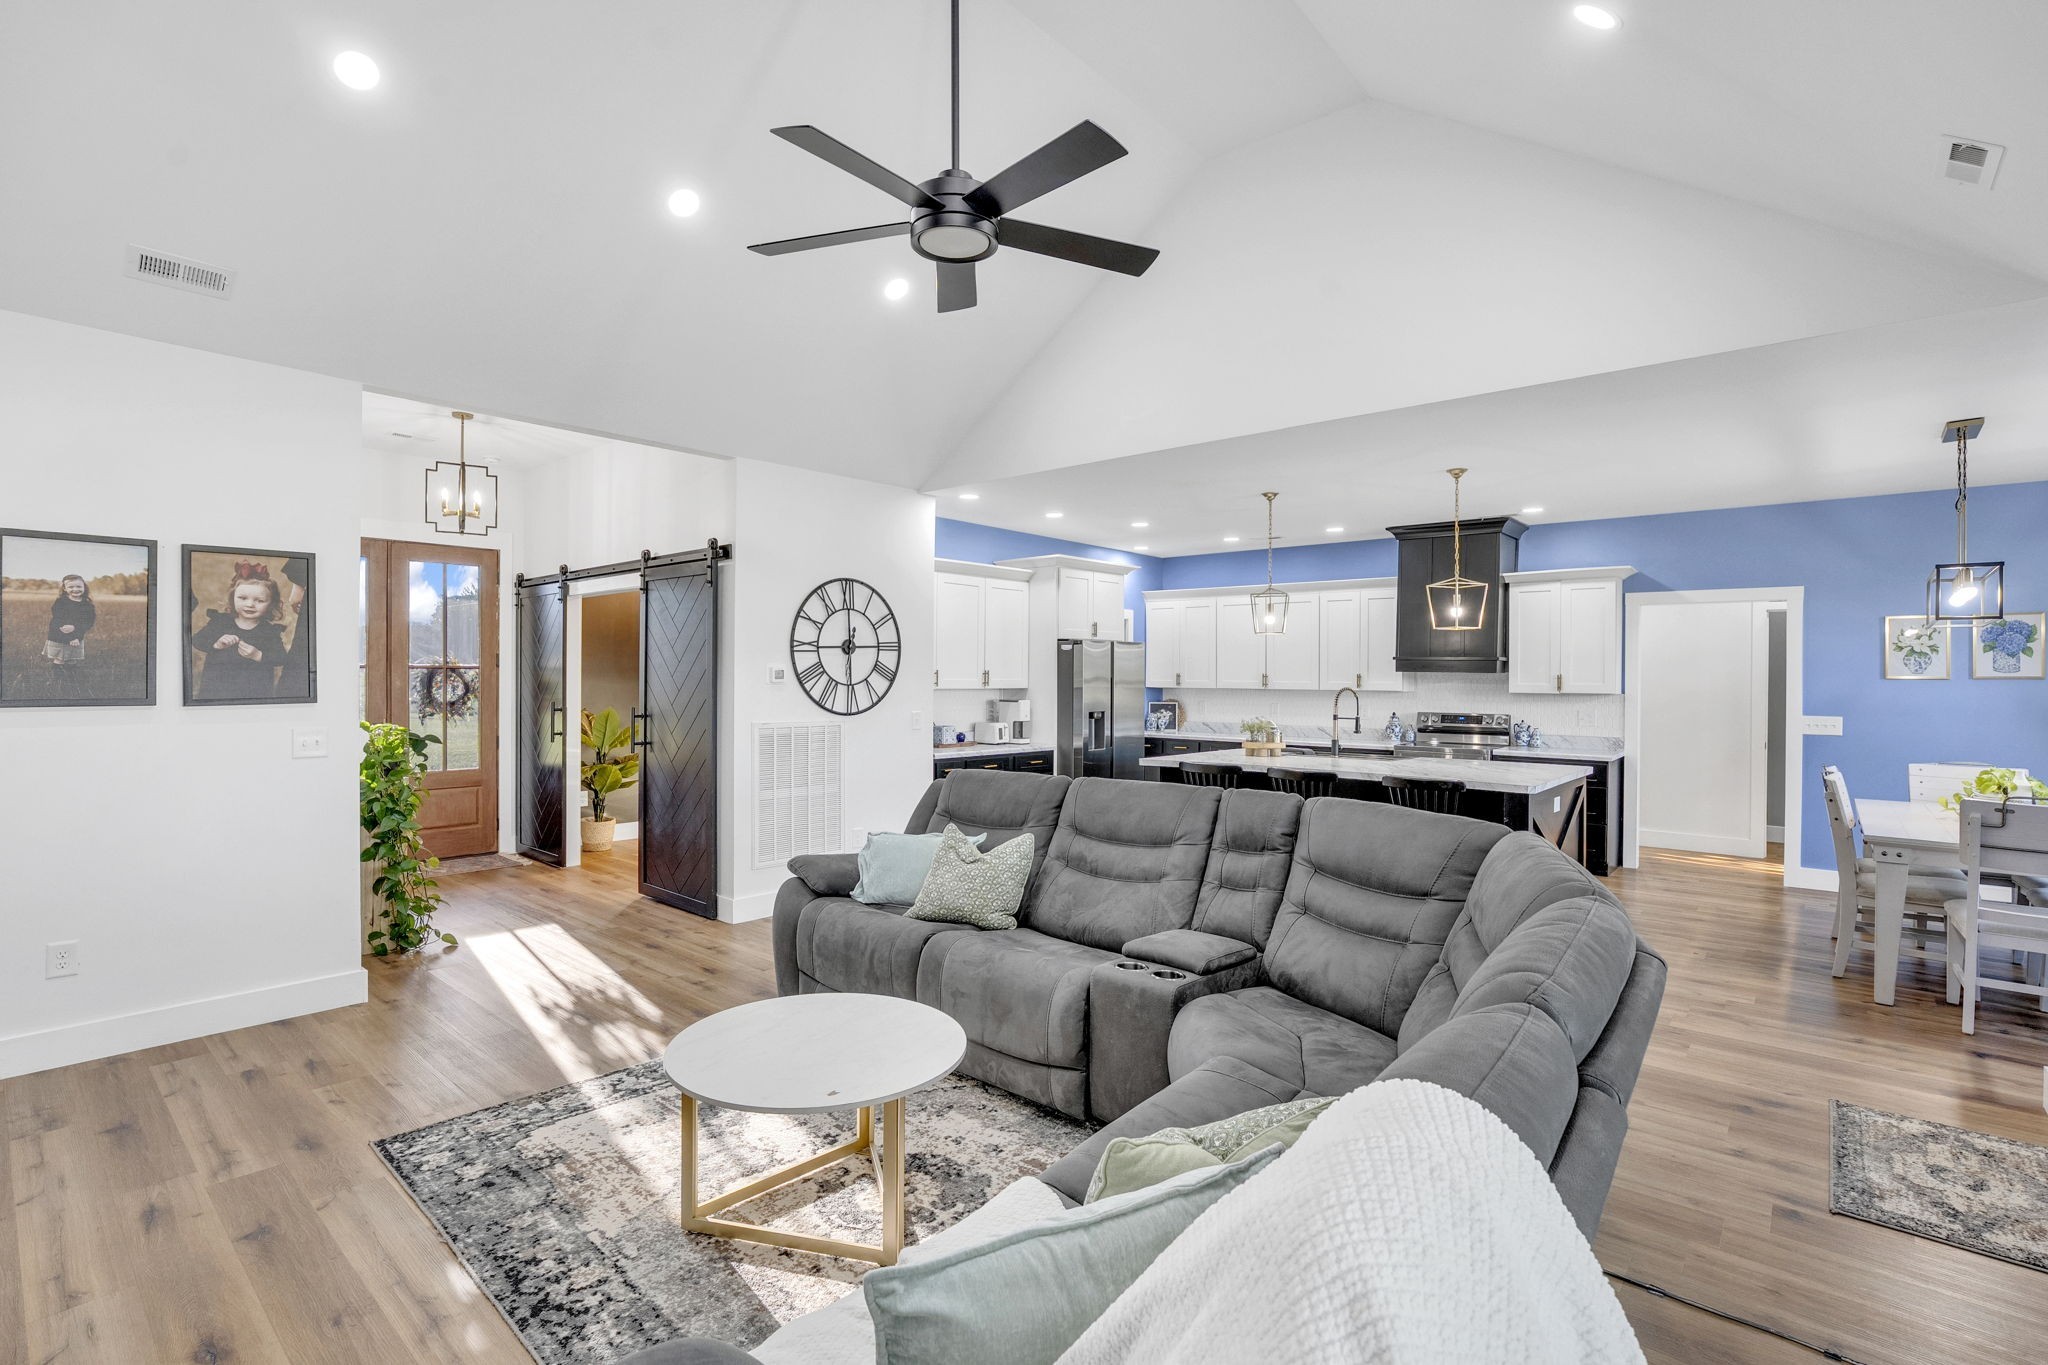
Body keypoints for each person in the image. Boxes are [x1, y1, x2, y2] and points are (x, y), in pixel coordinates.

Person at [191, 562, 290, 700]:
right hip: (215, 690)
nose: (250, 604)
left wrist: (258, 655)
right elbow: (197, 640)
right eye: (243, 598)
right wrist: (217, 644)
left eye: (259, 601)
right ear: (233, 598)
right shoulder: (220, 622)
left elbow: (281, 658)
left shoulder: (268, 631)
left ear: (271, 604)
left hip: (254, 693)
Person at [44, 573, 95, 666]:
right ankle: (59, 679)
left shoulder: (87, 605)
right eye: (71, 587)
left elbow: (88, 622)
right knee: (60, 659)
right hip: (60, 635)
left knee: (72, 659)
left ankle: (71, 679)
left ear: (84, 587)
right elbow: (58, 619)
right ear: (64, 588)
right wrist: (71, 637)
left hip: (77, 636)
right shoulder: (61, 602)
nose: (75, 589)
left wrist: (76, 634)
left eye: (78, 586)